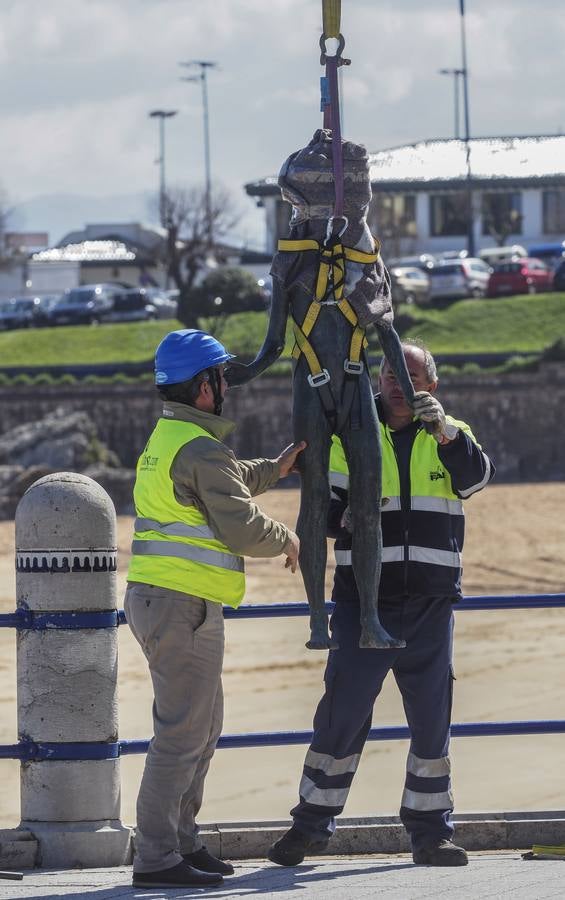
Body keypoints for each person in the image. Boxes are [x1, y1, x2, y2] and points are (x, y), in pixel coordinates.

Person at [268, 339, 495, 868]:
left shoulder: (452, 435)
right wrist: (341, 518)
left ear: (431, 387)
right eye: (391, 374)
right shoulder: (351, 435)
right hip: (362, 601)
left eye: (410, 375)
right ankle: (309, 827)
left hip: (431, 605)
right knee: (341, 717)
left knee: (431, 722)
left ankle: (431, 833)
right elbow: (321, 510)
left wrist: (444, 433)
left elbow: (477, 479)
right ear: (377, 382)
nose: (399, 383)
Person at [125, 328, 304, 890]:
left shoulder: (175, 439)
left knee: (201, 729)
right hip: (181, 606)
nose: (227, 383)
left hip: (173, 602)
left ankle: (183, 842)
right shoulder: (198, 448)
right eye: (221, 376)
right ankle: (156, 858)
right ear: (204, 386)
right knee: (182, 735)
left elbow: (224, 481)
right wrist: (288, 539)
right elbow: (240, 526)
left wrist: (276, 468)